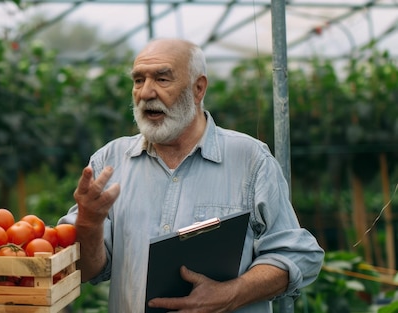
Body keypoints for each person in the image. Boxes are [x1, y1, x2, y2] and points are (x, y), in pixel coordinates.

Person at [58, 38, 325, 312]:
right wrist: (89, 222)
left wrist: (231, 294)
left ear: (198, 89)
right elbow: (87, 270)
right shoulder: (109, 161)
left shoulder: (250, 159)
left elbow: (297, 254)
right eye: (138, 81)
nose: (146, 92)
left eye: (162, 79)